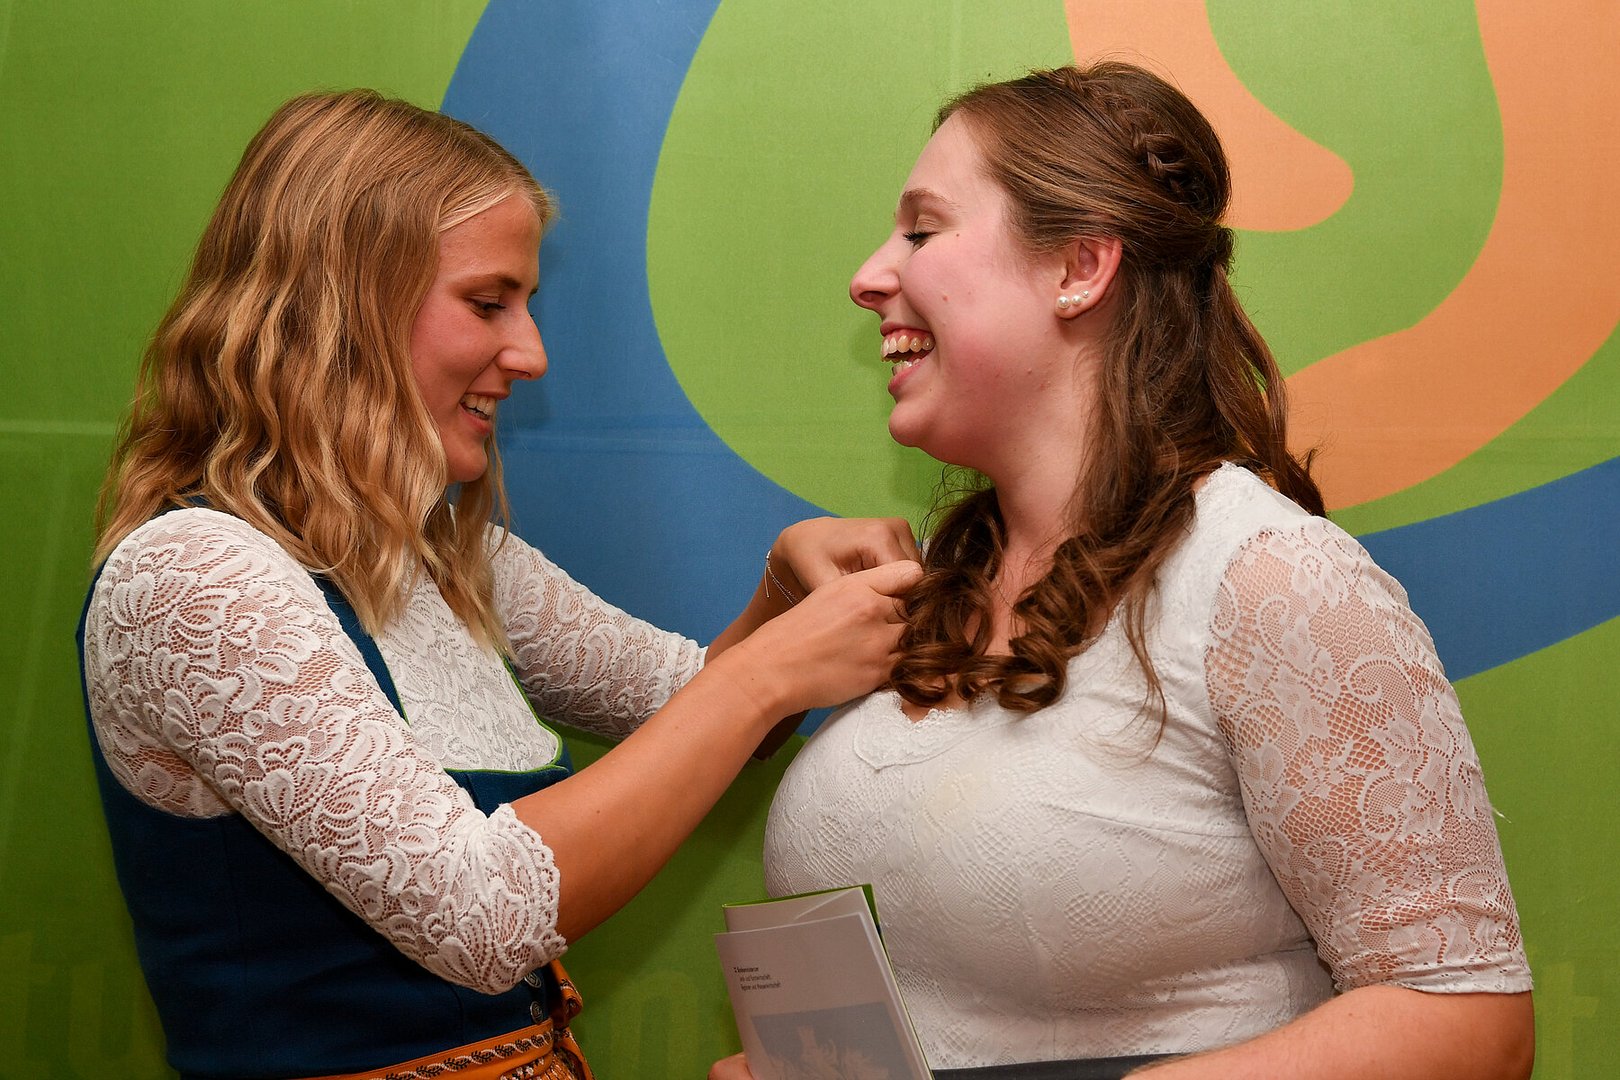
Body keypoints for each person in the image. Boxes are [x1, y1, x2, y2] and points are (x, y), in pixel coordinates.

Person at [78, 89, 921, 1080]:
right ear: (339, 307)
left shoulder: (451, 557)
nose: (531, 354)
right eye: (488, 303)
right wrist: (767, 672)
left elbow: (694, 718)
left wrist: (779, 596)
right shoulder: (192, 577)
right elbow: (481, 918)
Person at [712, 63, 1533, 1080]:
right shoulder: (926, 587)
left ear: (1080, 267)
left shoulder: (1270, 577)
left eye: (922, 231)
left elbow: (1469, 1023)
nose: (870, 276)